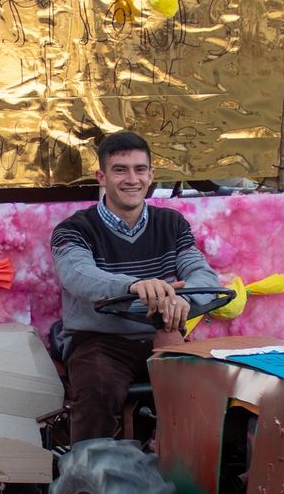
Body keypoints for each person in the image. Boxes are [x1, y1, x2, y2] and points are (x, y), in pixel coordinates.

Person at [52, 131, 220, 444]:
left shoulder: (172, 224)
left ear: (151, 174)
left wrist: (188, 301)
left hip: (162, 336)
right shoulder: (73, 229)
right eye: (120, 170)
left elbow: (201, 274)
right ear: (101, 176)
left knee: (212, 390)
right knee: (98, 391)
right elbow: (78, 275)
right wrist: (135, 285)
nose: (132, 179)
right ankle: (87, 477)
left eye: (140, 169)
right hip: (99, 341)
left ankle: (188, 470)